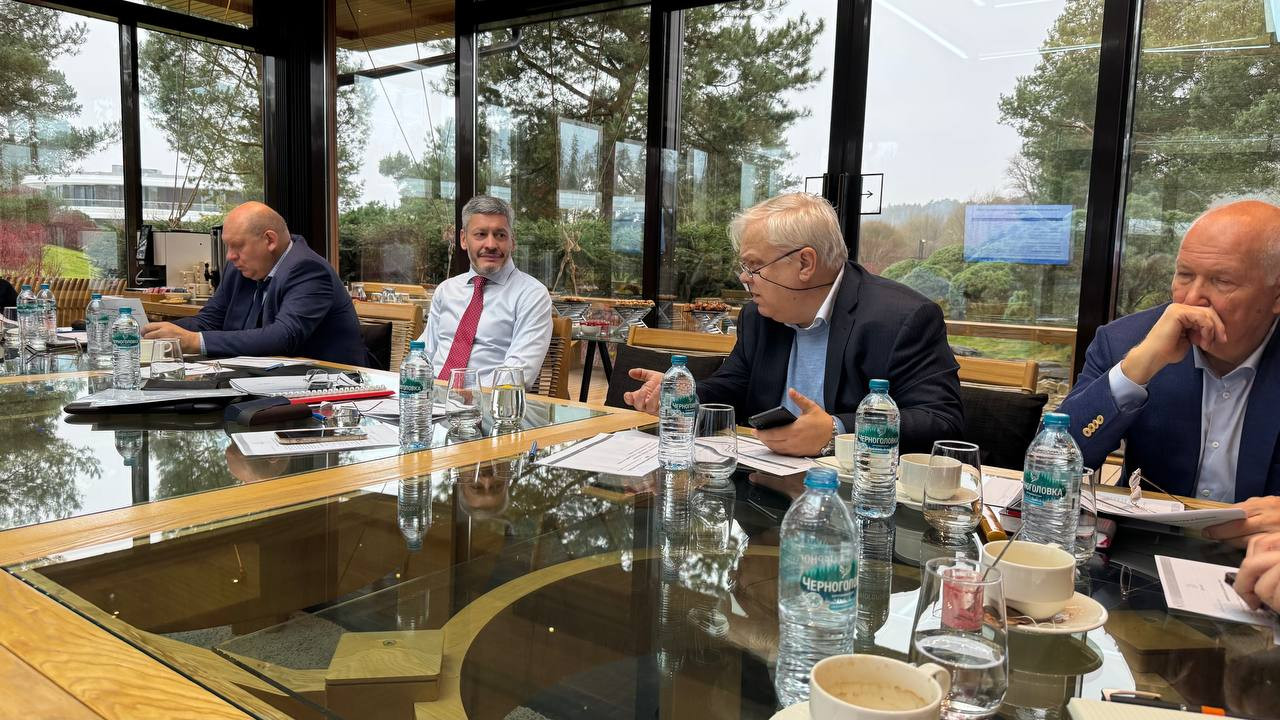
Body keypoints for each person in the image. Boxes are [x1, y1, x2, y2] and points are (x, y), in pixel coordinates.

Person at [624, 192, 963, 457]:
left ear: (805, 263)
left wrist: (837, 431)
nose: (745, 278)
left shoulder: (902, 318)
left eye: (754, 266)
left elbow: (941, 421)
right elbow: (734, 385)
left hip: (859, 495)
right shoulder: (759, 316)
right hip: (766, 487)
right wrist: (683, 395)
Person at [1058, 201, 1280, 529]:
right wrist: (1135, 370)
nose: (1192, 299)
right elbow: (1054, 464)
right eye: (1184, 275)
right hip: (1143, 547)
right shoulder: (1124, 341)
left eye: (1222, 281)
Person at [142, 201, 371, 366]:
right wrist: (155, 333)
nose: (230, 256)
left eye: (237, 246)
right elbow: (209, 320)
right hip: (263, 381)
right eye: (228, 246)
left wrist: (194, 341)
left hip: (330, 388)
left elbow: (283, 337)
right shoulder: (240, 268)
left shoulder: (308, 270)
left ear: (269, 240)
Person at [418, 195, 551, 387]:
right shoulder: (446, 290)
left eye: (500, 235)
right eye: (480, 234)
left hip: (487, 402)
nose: (491, 245)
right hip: (432, 396)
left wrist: (462, 396)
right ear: (463, 239)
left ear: (512, 241)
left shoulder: (532, 295)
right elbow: (424, 353)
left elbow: (518, 374)